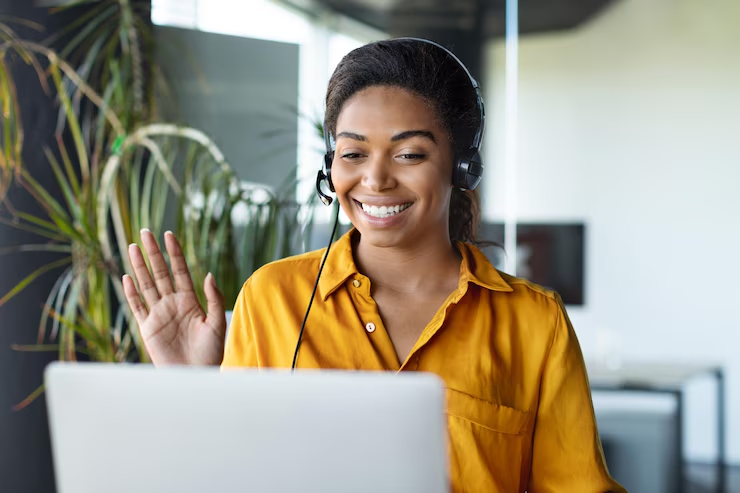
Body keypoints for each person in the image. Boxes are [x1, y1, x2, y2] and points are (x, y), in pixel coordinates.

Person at [122, 38, 626, 493]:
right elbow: (229, 476)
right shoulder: (272, 298)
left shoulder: (534, 324)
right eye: (353, 153)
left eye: (408, 154)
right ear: (330, 166)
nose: (376, 179)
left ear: (462, 167)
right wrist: (193, 388)